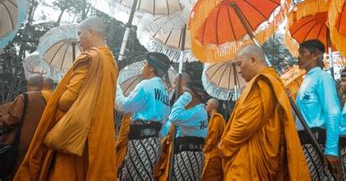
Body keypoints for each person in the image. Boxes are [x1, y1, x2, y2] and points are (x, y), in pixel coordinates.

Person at [14, 16, 118, 180]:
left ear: (91, 32)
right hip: (98, 134)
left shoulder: (89, 58)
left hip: (74, 136)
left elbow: (66, 101)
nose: (78, 40)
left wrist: (59, 91)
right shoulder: (110, 61)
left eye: (79, 34)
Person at [219, 44, 310, 180]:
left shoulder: (262, 84)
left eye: (239, 64)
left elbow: (244, 126)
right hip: (263, 157)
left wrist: (223, 145)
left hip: (249, 161)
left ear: (253, 60)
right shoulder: (276, 84)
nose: (238, 70)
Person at [115, 52, 172, 180]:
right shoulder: (165, 94)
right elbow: (163, 127)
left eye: (145, 64)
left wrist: (115, 86)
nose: (143, 67)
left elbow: (124, 106)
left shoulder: (146, 85)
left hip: (140, 141)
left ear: (151, 68)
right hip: (154, 143)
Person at [296, 39, 341, 180]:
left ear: (315, 54)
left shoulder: (323, 78)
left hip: (316, 143)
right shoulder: (306, 81)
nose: (299, 57)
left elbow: (333, 112)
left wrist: (332, 149)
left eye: (302, 52)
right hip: (302, 143)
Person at [156, 77, 208, 181]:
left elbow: (174, 117)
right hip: (187, 152)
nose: (183, 95)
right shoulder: (196, 111)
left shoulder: (198, 112)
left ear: (194, 95)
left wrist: (185, 97)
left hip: (189, 154)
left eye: (186, 93)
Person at [0, 75, 49, 181]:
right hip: (39, 141)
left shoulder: (24, 97)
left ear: (28, 84)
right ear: (42, 85)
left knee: (14, 171)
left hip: (20, 143)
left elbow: (13, 118)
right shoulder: (47, 98)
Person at [201, 98, 226, 181]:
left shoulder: (216, 118)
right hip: (215, 154)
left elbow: (212, 138)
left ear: (212, 106)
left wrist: (204, 149)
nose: (206, 106)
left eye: (207, 104)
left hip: (213, 155)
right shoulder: (214, 119)